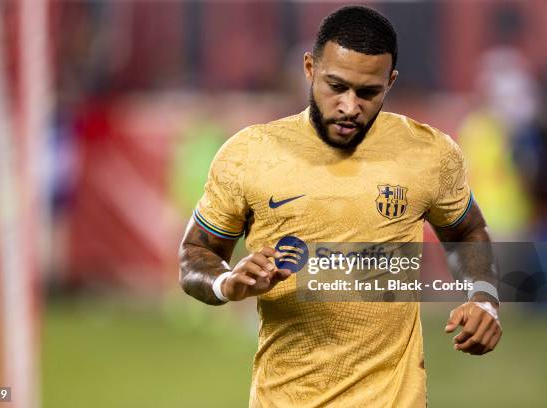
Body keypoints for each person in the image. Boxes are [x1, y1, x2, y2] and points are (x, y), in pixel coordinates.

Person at [178, 6, 502, 407]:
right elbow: (196, 253)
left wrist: (483, 296)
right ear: (310, 69)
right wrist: (227, 283)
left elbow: (467, 230)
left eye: (368, 92)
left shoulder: (429, 154)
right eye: (336, 86)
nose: (350, 106)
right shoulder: (249, 155)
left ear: (391, 81)